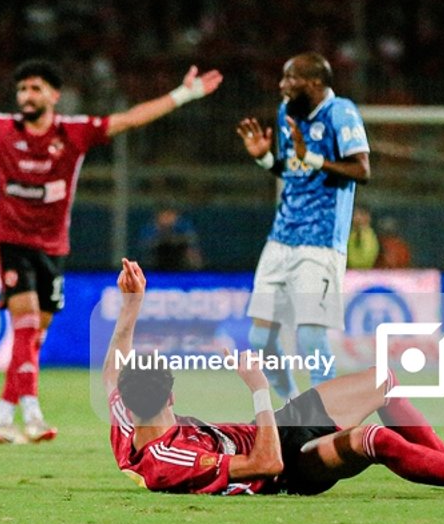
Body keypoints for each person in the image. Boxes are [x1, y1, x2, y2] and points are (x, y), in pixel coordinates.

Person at [0, 50, 222, 444]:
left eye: (35, 88)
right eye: (21, 88)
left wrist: (183, 94)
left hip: (53, 247)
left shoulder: (74, 133)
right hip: (12, 242)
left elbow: (131, 118)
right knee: (27, 320)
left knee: (34, 336)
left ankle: (1, 418)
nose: (26, 95)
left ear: (54, 96)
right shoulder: (0, 129)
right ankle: (31, 415)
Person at [103, 258, 444, 498]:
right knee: (375, 440)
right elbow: (267, 465)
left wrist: (131, 307)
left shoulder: (127, 423)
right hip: (293, 466)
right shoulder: (169, 460)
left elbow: (112, 367)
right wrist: (259, 388)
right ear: (171, 394)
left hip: (280, 426)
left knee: (382, 379)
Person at [235, 53, 371, 403]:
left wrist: (310, 156)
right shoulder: (286, 112)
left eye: (290, 79)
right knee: (258, 340)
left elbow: (361, 171)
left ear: (313, 83)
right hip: (281, 237)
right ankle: (295, 406)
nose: (282, 85)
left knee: (311, 337)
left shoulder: (340, 112)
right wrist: (265, 158)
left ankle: (323, 421)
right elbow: (294, 170)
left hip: (321, 241)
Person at [137, 206, 202, 271]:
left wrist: (175, 239)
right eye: (164, 215)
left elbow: (191, 239)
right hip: (157, 260)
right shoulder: (151, 227)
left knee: (192, 254)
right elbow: (144, 244)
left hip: (181, 258)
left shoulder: (182, 226)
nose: (166, 218)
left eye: (169, 215)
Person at [346, 205, 379, 269]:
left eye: (360, 214)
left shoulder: (369, 235)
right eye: (354, 215)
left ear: (367, 217)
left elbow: (365, 258)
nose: (356, 217)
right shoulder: (350, 233)